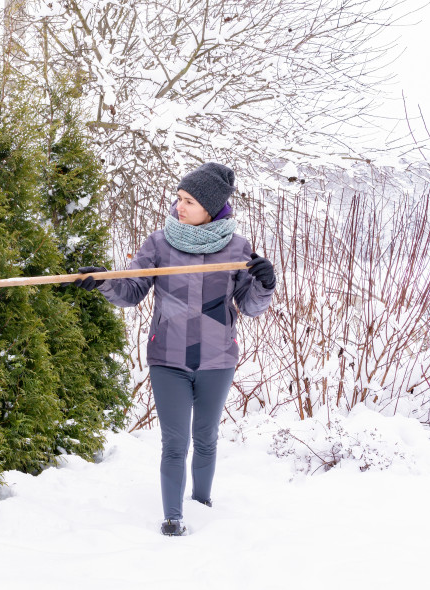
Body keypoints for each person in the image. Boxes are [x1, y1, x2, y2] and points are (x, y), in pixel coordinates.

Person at [74, 163, 276, 536]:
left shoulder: (237, 248)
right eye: (179, 198)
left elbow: (250, 306)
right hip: (168, 357)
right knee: (175, 442)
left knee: (206, 437)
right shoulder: (160, 243)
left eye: (189, 201)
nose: (179, 206)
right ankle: (173, 516)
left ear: (211, 208)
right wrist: (104, 281)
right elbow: (131, 291)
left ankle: (202, 505)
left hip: (218, 359)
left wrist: (264, 284)